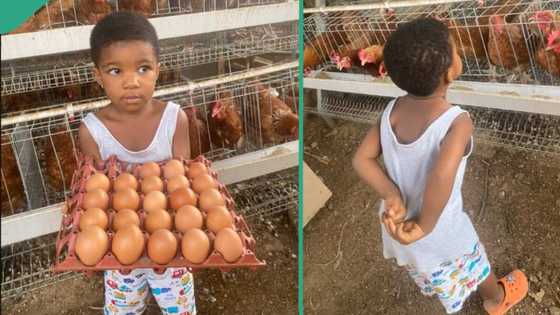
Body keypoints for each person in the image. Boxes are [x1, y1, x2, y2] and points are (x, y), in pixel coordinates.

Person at [352, 18, 528, 315]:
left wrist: (392, 194)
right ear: (450, 71)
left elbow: (361, 159)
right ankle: (497, 298)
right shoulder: (457, 122)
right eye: (457, 51)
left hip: (397, 223)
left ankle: (441, 284)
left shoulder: (391, 111)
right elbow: (441, 173)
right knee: (472, 261)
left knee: (427, 266)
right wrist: (425, 225)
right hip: (438, 227)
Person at [78, 11, 196, 315]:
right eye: (115, 71)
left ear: (157, 70)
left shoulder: (175, 119)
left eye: (143, 68)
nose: (131, 82)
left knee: (180, 310)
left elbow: (182, 186)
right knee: (122, 311)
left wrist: (187, 231)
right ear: (98, 75)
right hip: (119, 255)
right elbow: (94, 196)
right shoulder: (92, 131)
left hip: (174, 248)